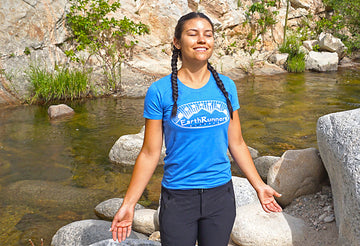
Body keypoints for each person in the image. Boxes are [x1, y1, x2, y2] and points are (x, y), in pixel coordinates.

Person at [111, 12, 282, 246]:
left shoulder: (227, 86)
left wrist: (260, 186)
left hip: (220, 196)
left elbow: (237, 143)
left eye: (208, 34)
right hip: (178, 197)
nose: (202, 39)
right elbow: (150, 153)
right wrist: (129, 204)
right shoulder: (159, 91)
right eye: (193, 34)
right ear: (177, 42)